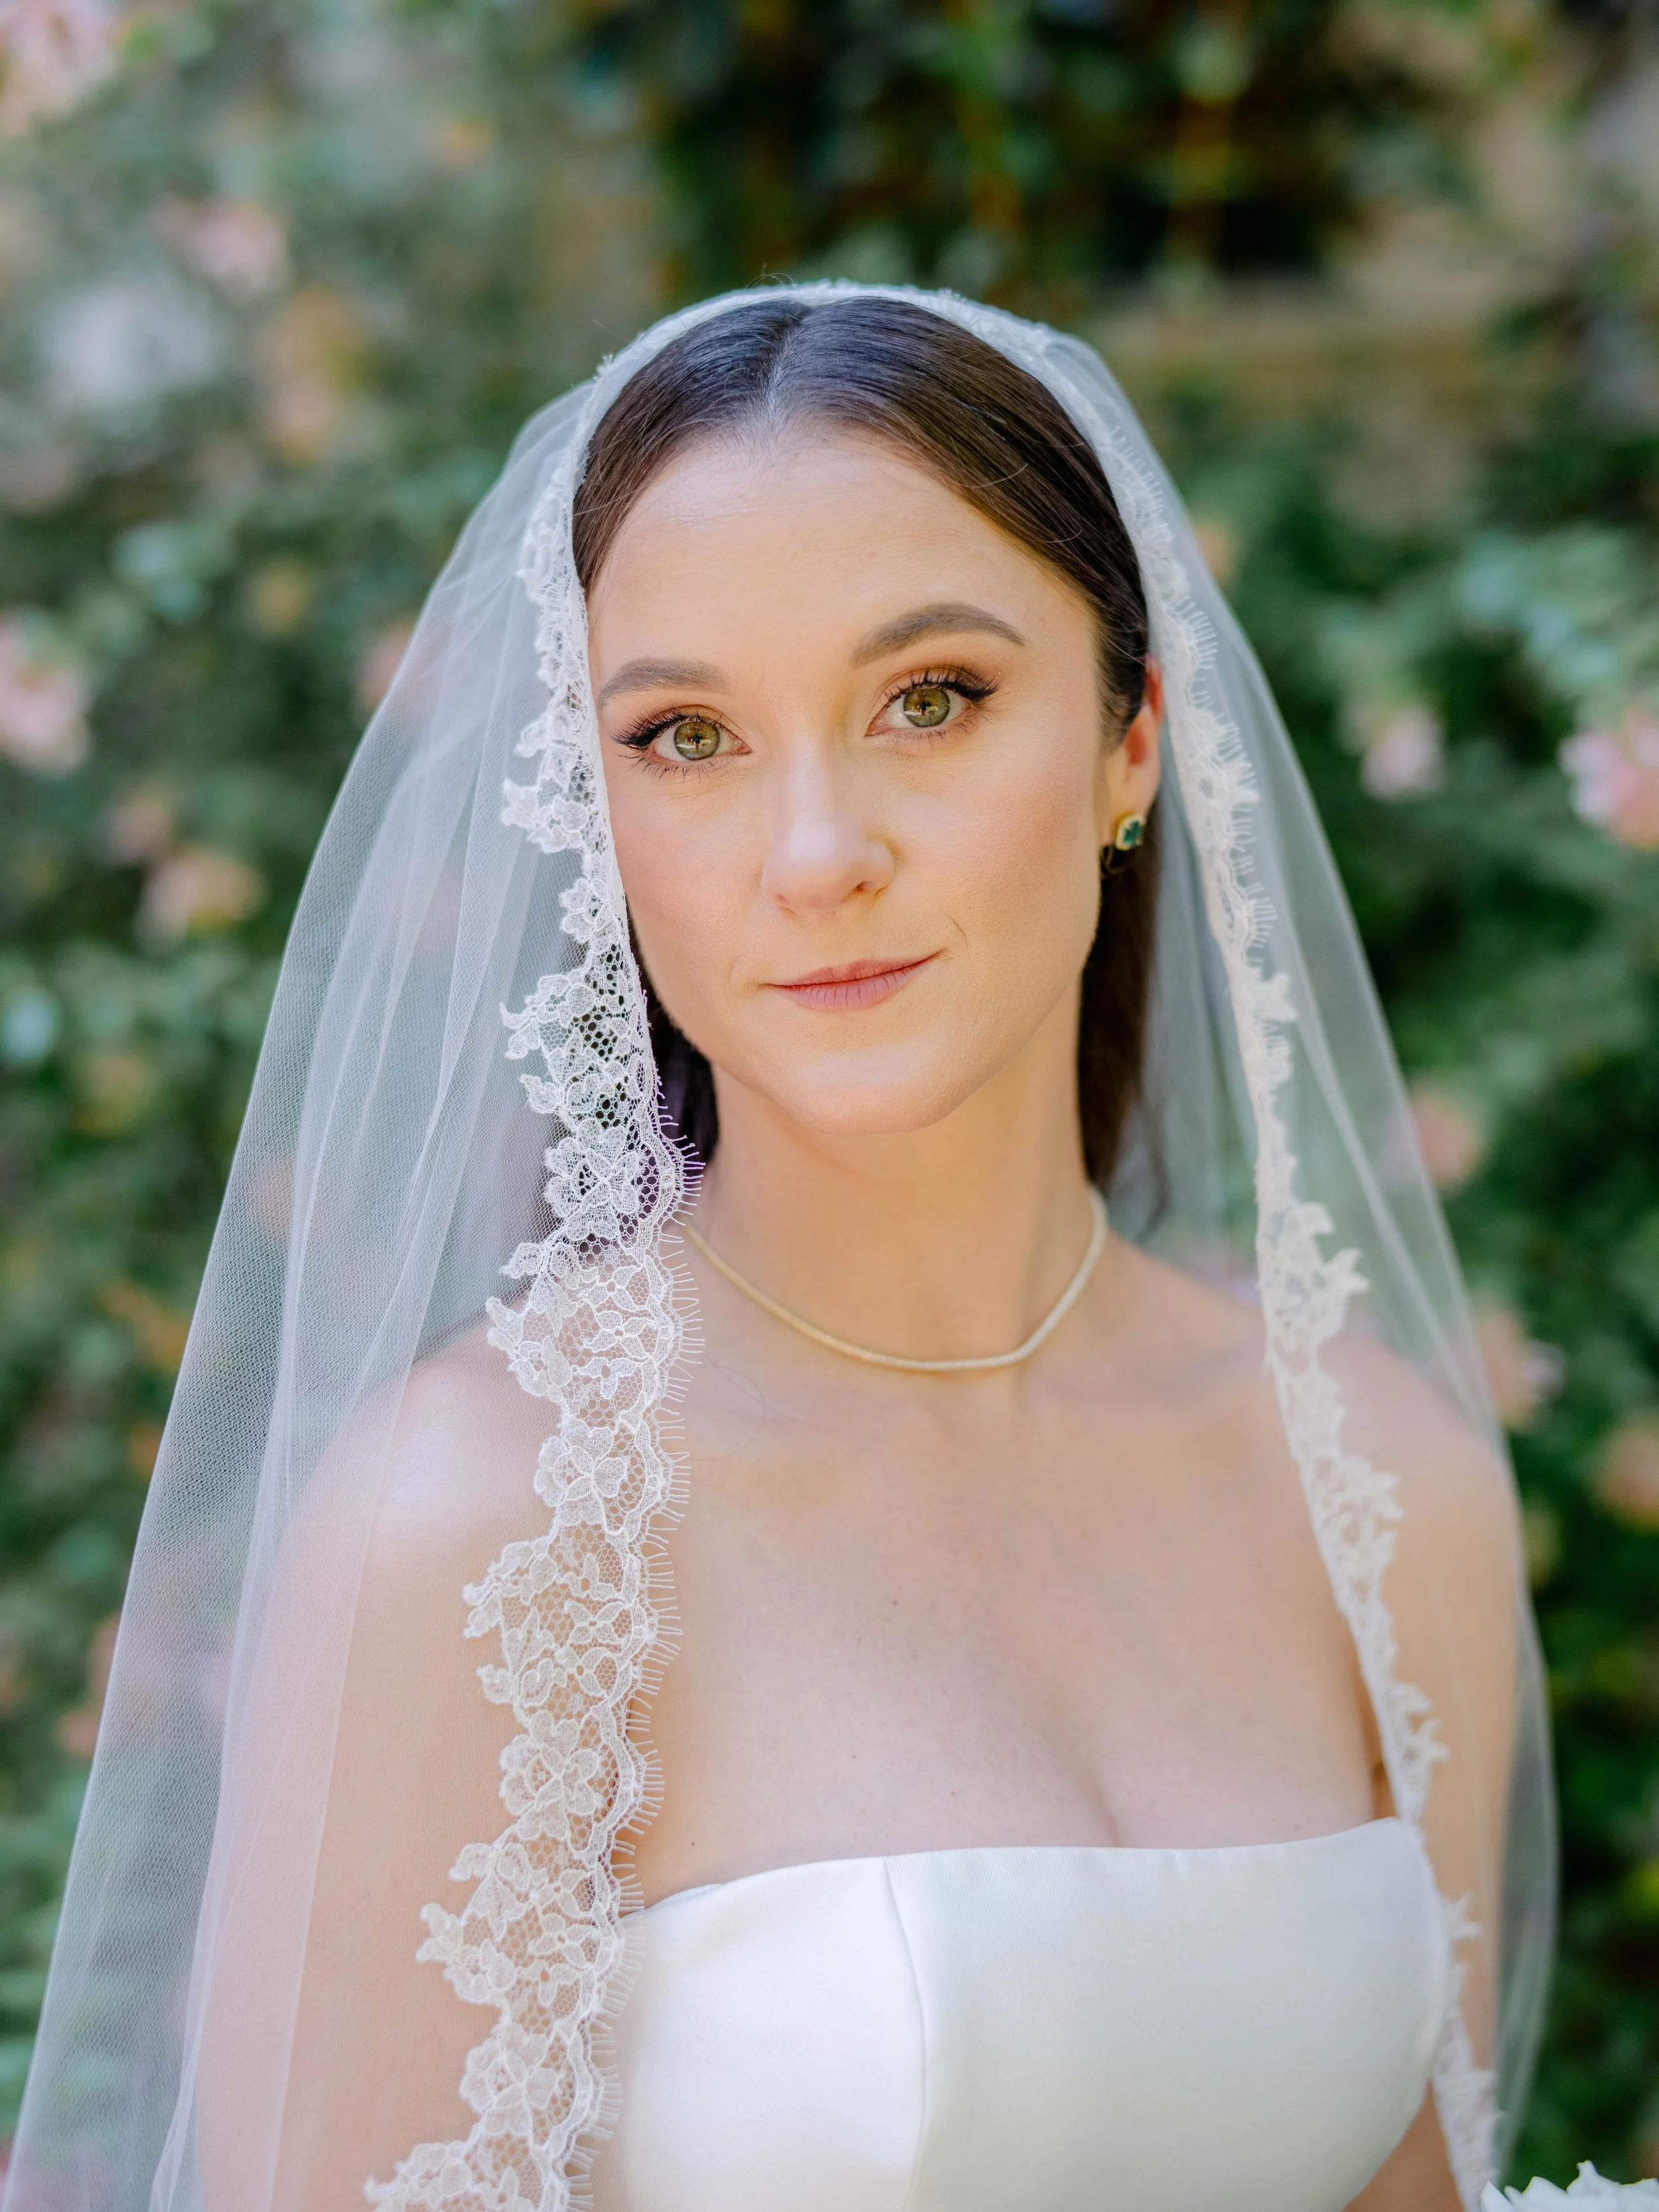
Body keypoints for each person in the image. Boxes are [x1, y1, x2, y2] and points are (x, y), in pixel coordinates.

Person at [1, 288, 1555, 2212]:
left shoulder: (1384, 1483)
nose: (814, 852)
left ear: (1130, 741)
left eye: (932, 698)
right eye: (685, 735)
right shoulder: (475, 1533)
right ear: (592, 811)